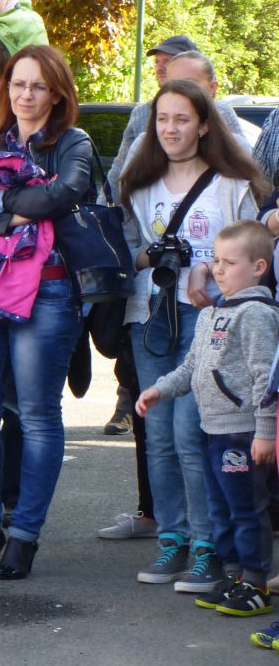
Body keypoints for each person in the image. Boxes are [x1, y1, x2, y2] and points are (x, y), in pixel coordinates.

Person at [0, 45, 93, 580]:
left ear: (56, 93)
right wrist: (16, 212)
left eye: (37, 86)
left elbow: (65, 193)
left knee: (36, 416)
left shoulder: (72, 141)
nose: (25, 94)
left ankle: (25, 535)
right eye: (18, 84)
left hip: (48, 292)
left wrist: (1, 201)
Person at [120, 79, 266, 593]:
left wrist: (206, 264)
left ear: (204, 125)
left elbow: (254, 251)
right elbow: (124, 252)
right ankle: (172, 539)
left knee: (191, 434)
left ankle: (208, 547)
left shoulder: (233, 184)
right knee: (158, 435)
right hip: (152, 316)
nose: (170, 129)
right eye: (162, 119)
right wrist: (153, 256)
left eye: (182, 119)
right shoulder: (138, 184)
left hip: (212, 320)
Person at [137, 220, 278, 620]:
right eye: (215, 260)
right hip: (212, 429)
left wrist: (265, 432)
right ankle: (234, 575)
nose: (218, 269)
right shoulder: (211, 312)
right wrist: (161, 389)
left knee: (246, 509)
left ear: (259, 267)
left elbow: (266, 378)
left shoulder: (256, 314)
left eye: (229, 263)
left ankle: (255, 581)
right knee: (220, 508)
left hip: (243, 432)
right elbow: (191, 366)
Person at [108, 45, 248, 191]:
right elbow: (119, 175)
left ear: (212, 87)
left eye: (189, 84)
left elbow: (248, 188)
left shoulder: (229, 128)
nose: (180, 92)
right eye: (162, 119)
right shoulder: (142, 130)